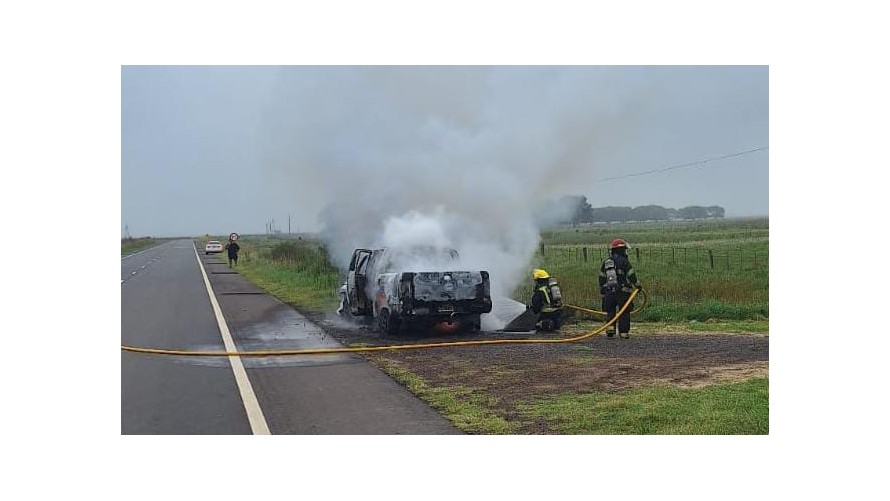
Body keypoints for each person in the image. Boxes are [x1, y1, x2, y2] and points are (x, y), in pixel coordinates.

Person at [598, 238, 640, 338]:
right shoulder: (624, 261)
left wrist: (604, 291)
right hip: (623, 292)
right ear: (621, 250)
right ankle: (623, 332)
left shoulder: (606, 262)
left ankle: (610, 330)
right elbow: (631, 275)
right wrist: (638, 285)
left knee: (610, 310)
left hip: (609, 292)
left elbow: (601, 277)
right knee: (624, 312)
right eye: (624, 249)